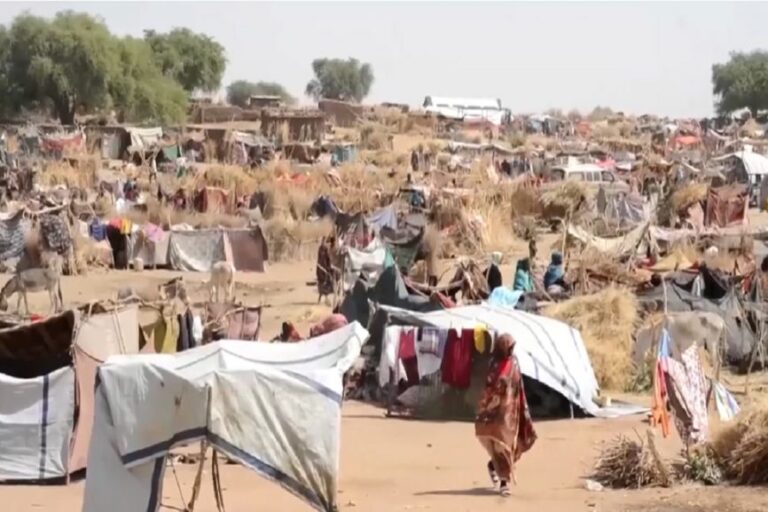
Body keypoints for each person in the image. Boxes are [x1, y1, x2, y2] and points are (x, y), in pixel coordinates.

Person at [475, 334, 536, 497]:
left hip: (511, 413)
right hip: (496, 413)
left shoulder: (514, 362)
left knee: (511, 447)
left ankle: (495, 469)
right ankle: (503, 481)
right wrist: (484, 407)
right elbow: (488, 387)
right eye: (508, 347)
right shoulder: (494, 364)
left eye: (512, 348)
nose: (511, 350)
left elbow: (518, 385)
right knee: (501, 447)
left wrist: (522, 408)